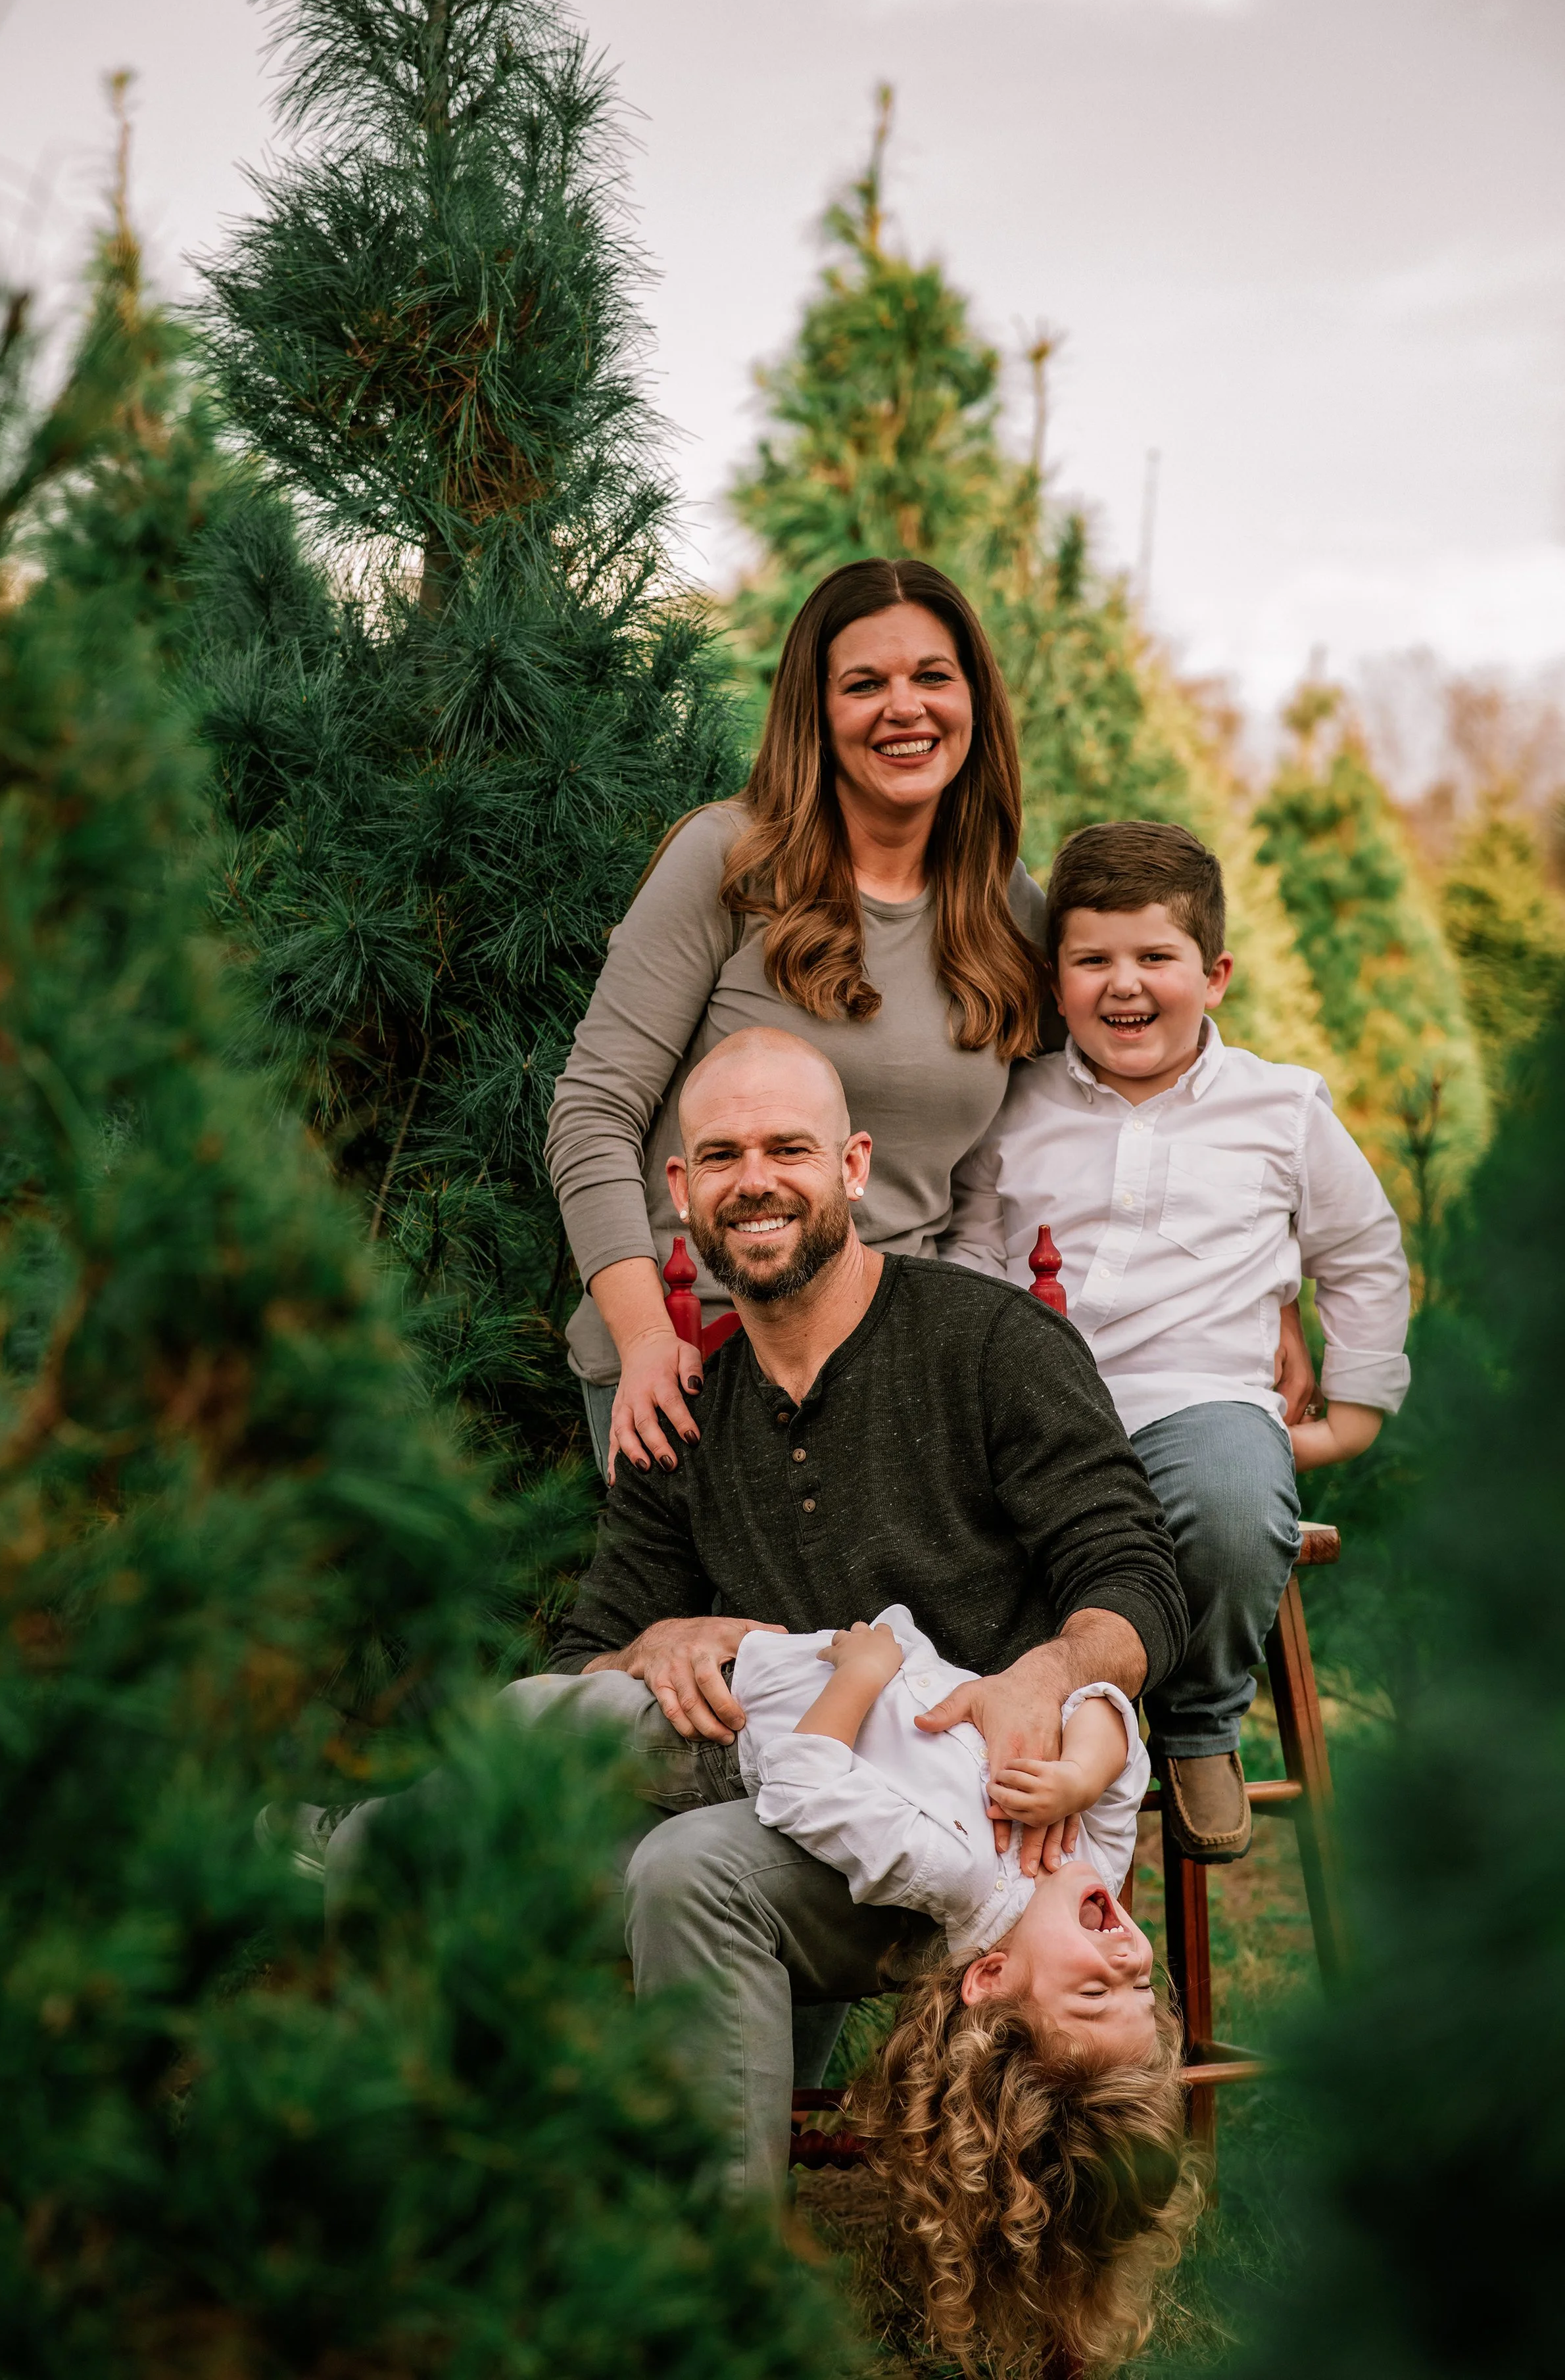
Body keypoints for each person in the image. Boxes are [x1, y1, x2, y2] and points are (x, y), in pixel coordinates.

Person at [522, 1023, 1190, 2195]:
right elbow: (591, 1653)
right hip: (785, 1779)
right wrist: (658, 1644)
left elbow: (1133, 1577)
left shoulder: (988, 1345)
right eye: (721, 1156)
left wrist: (1044, 1676)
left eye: (789, 1147)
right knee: (417, 1836)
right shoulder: (685, 1414)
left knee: (687, 1868)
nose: (756, 1181)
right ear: (680, 1192)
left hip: (950, 1840)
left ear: (853, 1166)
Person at [544, 554, 1318, 1480]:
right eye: (865, 683)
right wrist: (639, 1339)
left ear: (974, 703)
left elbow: (1138, 1106)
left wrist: (1261, 1292)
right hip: (701, 1345)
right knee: (745, 1633)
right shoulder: (729, 865)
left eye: (932, 678)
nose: (903, 708)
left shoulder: (1006, 909)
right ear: (816, 712)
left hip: (906, 1366)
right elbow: (591, 1113)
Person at [944, 820, 1412, 1866]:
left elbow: (1364, 1249)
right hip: (1040, 1411)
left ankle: (1199, 1722)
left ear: (1215, 973)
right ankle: (1035, 1729)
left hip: (1202, 1399)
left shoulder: (1279, 1108)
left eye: (1155, 957)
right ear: (1053, 976)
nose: (1125, 985)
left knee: (1239, 1503)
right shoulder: (1013, 1105)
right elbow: (972, 1248)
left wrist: (1354, 1414)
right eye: (1091, 959)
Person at [733, 1609, 1197, 2378]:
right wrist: (1077, 1777)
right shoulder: (1097, 1857)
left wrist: (862, 1674)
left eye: (1092, 1990)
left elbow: (799, 1782)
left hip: (773, 1680)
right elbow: (1107, 1710)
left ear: (990, 1979)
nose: (1126, 1953)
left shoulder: (953, 1870)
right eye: (1141, 1984)